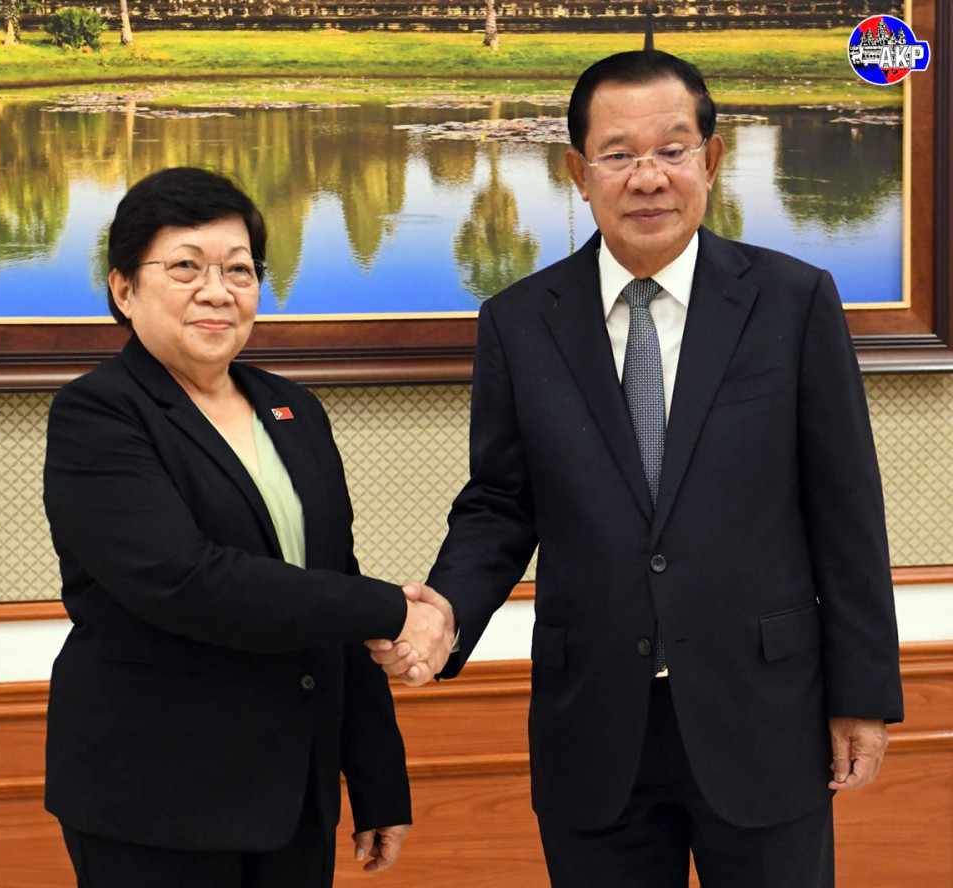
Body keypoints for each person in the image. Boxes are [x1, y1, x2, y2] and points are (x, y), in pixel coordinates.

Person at [368, 51, 903, 887]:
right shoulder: (519, 321)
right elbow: (501, 503)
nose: (648, 177)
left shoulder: (792, 301)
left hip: (763, 715)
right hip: (593, 720)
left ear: (711, 160)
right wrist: (445, 612)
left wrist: (862, 692)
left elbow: (846, 510)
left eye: (672, 150)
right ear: (578, 174)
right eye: (618, 155)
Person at [42, 167, 450, 888]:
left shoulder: (293, 411)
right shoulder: (98, 414)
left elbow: (333, 586)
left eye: (239, 269)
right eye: (185, 267)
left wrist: (379, 779)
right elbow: (186, 580)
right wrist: (395, 608)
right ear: (124, 290)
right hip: (156, 799)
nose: (218, 290)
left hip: (294, 794)